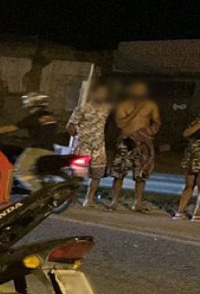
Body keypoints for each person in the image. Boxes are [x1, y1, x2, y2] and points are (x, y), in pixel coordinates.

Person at [108, 81, 161, 212]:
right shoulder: (123, 105)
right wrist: (136, 111)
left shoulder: (150, 105)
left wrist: (147, 133)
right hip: (126, 142)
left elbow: (157, 122)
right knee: (119, 174)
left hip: (142, 144)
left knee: (140, 175)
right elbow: (120, 124)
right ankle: (114, 201)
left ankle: (138, 203)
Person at [67, 84, 112, 207]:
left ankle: (89, 199)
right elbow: (70, 126)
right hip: (83, 146)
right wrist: (78, 138)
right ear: (93, 94)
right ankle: (70, 198)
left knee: (97, 174)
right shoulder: (82, 109)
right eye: (99, 93)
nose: (102, 96)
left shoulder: (106, 109)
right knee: (77, 174)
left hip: (98, 146)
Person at [14, 92, 59, 186]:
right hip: (50, 149)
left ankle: (37, 192)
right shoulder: (51, 116)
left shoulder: (33, 117)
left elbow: (13, 128)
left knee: (20, 172)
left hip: (36, 149)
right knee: (36, 174)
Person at [173, 116, 200, 221]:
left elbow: (186, 133)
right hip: (194, 156)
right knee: (191, 185)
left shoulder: (196, 121)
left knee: (189, 185)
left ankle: (180, 212)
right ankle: (197, 215)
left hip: (191, 155)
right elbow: (186, 133)